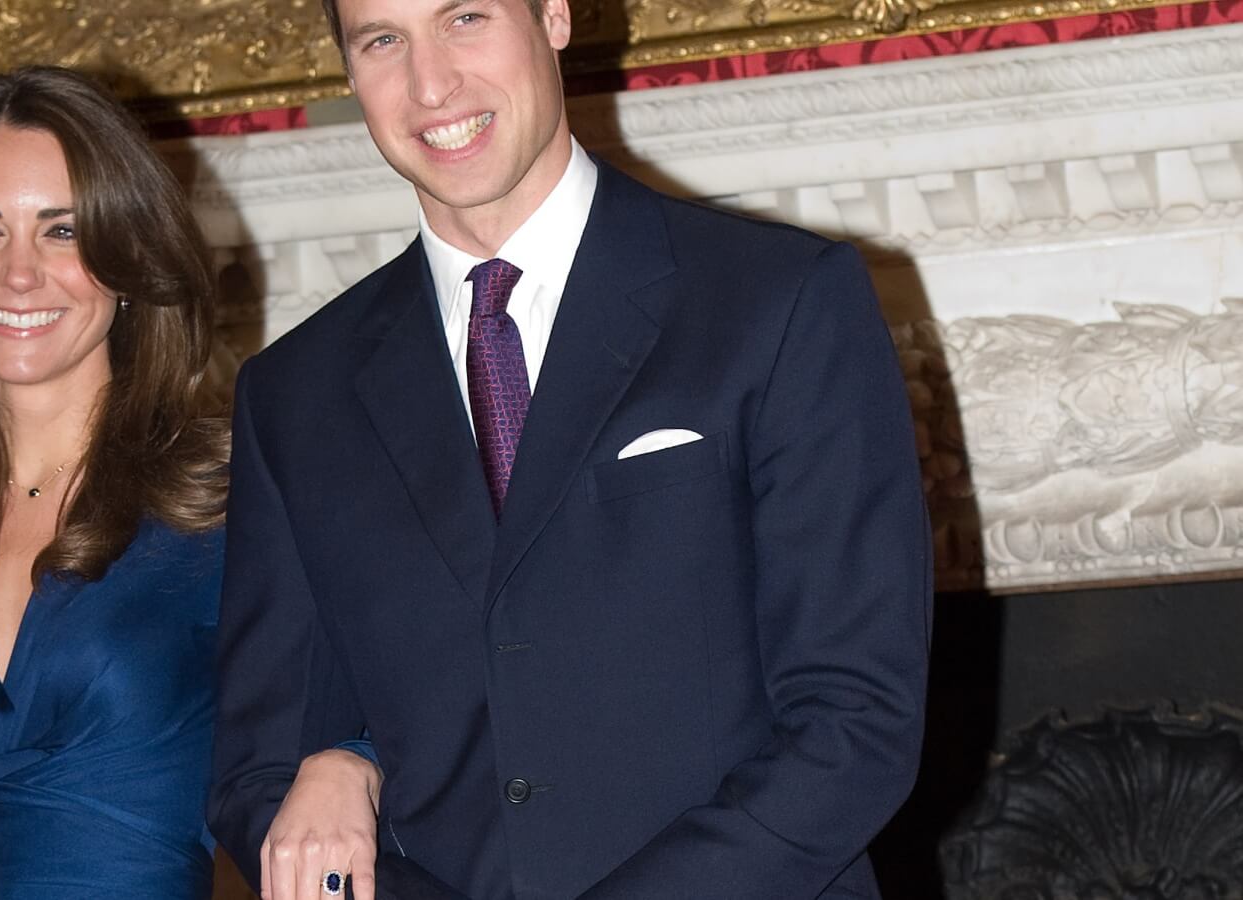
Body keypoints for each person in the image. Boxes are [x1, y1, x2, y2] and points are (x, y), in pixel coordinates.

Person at [206, 0, 933, 897]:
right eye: (383, 41)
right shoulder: (293, 396)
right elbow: (257, 774)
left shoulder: (779, 302)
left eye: (464, 17)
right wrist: (340, 766)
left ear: (553, 14)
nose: (430, 84)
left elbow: (856, 724)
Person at [0, 66, 228, 899]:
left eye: (62, 231)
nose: (18, 274)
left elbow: (371, 732)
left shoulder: (227, 504)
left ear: (128, 258)